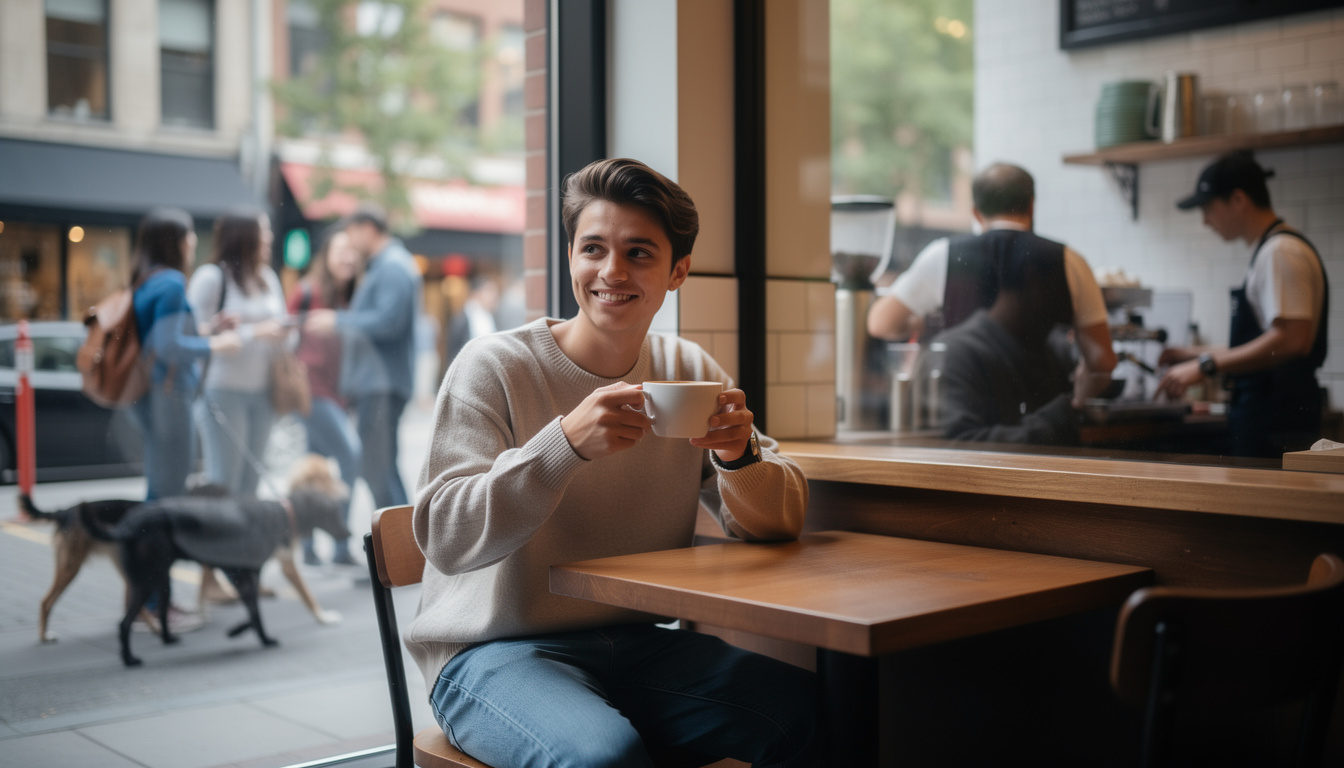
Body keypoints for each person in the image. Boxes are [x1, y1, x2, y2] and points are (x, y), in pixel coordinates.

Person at [406, 158, 818, 768]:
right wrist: (562, 447)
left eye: (639, 253)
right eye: (593, 248)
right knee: (603, 758)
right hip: (490, 654)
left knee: (811, 710)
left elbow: (781, 521)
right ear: (571, 257)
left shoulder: (691, 372)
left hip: (636, 644)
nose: (611, 272)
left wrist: (740, 454)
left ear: (678, 271)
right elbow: (442, 534)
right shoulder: (493, 366)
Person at [868, 162, 1117, 376]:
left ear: (976, 213)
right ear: (1031, 206)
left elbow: (881, 323)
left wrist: (921, 324)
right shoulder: (1070, 260)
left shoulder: (942, 253)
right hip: (1045, 421)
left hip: (964, 419)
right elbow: (1102, 360)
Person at [1158, 152, 1329, 458]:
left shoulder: (1280, 252)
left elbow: (1291, 340)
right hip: (1273, 413)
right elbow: (1262, 342)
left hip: (1276, 418)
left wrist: (1205, 365)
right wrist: (1191, 354)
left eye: (1209, 208)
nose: (1206, 221)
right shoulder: (1274, 248)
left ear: (1238, 200)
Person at [127, 206, 240, 632]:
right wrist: (217, 346)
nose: (194, 243)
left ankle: (146, 600)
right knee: (166, 504)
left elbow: (165, 339)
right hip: (170, 403)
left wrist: (205, 329)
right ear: (176, 241)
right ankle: (156, 603)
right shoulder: (173, 283)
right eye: (190, 236)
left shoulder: (147, 281)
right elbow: (170, 346)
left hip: (151, 401)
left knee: (158, 497)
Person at [922, 233, 1109, 445]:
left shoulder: (1052, 351)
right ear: (1033, 279)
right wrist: (1060, 415)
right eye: (1068, 287)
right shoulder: (958, 353)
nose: (1076, 301)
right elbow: (961, 446)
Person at [305, 203, 421, 510]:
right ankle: (402, 550)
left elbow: (388, 323)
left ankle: (404, 551)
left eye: (352, 233)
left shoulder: (392, 266)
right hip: (378, 383)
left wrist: (338, 321)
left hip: (382, 384)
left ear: (369, 230)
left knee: (379, 470)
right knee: (379, 468)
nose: (350, 242)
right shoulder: (386, 265)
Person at [187, 207, 290, 497]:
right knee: (224, 485)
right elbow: (192, 333)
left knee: (251, 486)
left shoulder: (267, 278)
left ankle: (245, 544)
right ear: (245, 236)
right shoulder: (211, 278)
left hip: (264, 392)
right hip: (223, 391)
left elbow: (279, 328)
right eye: (264, 230)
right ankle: (219, 543)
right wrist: (254, 332)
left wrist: (284, 333)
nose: (269, 237)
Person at [288, 226, 362, 566]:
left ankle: (304, 542)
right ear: (326, 255)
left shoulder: (353, 298)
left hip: (340, 395)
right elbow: (282, 335)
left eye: (353, 251)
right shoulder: (306, 292)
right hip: (311, 393)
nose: (348, 257)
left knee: (311, 468)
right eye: (340, 250)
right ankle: (340, 540)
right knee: (350, 455)